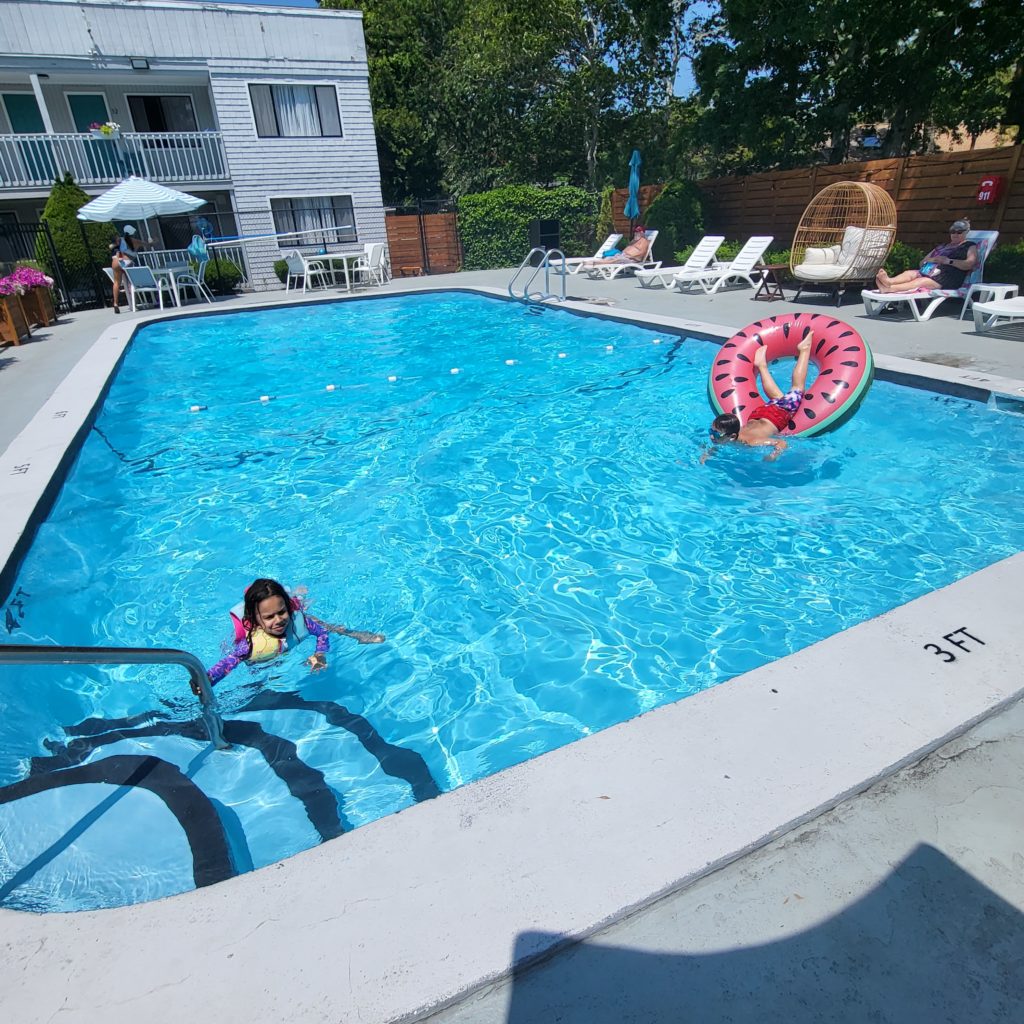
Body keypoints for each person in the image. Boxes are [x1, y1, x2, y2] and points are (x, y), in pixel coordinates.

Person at [203, 578, 385, 688]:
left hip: (296, 613)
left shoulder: (297, 621)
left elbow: (322, 634)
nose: (279, 620)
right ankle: (296, 595)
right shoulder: (250, 644)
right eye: (269, 617)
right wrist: (208, 679)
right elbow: (229, 662)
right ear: (256, 619)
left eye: (281, 612)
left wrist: (319, 653)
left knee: (321, 623)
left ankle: (353, 633)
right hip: (264, 653)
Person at [702, 334, 813, 463]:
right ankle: (761, 366)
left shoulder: (752, 442)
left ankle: (804, 350)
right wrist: (707, 454)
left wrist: (772, 456)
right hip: (760, 414)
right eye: (711, 431)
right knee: (779, 398)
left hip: (775, 415)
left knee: (797, 388)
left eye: (715, 434)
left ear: (732, 436)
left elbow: (781, 443)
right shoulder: (726, 436)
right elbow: (718, 443)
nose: (711, 436)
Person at [874, 219, 977, 294]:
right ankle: (889, 282)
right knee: (909, 273)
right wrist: (934, 259)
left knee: (921, 281)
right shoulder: (943, 246)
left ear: (966, 233)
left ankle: (889, 289)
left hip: (948, 278)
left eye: (959, 232)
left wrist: (948, 261)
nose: (955, 234)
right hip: (929, 271)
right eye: (953, 232)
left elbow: (970, 264)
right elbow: (922, 262)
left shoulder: (969, 246)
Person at [110, 224, 146, 314]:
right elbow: (146, 244)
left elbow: (113, 248)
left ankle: (115, 303)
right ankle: (134, 304)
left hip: (115, 261)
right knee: (130, 282)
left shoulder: (116, 243)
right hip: (126, 261)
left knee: (116, 283)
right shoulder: (130, 240)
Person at [584, 226, 652, 267]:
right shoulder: (634, 240)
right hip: (624, 255)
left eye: (638, 232)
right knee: (609, 257)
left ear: (642, 233)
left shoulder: (644, 241)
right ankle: (598, 263)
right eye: (635, 232)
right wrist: (623, 253)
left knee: (617, 260)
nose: (636, 233)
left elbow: (642, 253)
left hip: (633, 259)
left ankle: (596, 263)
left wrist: (631, 256)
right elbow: (628, 248)